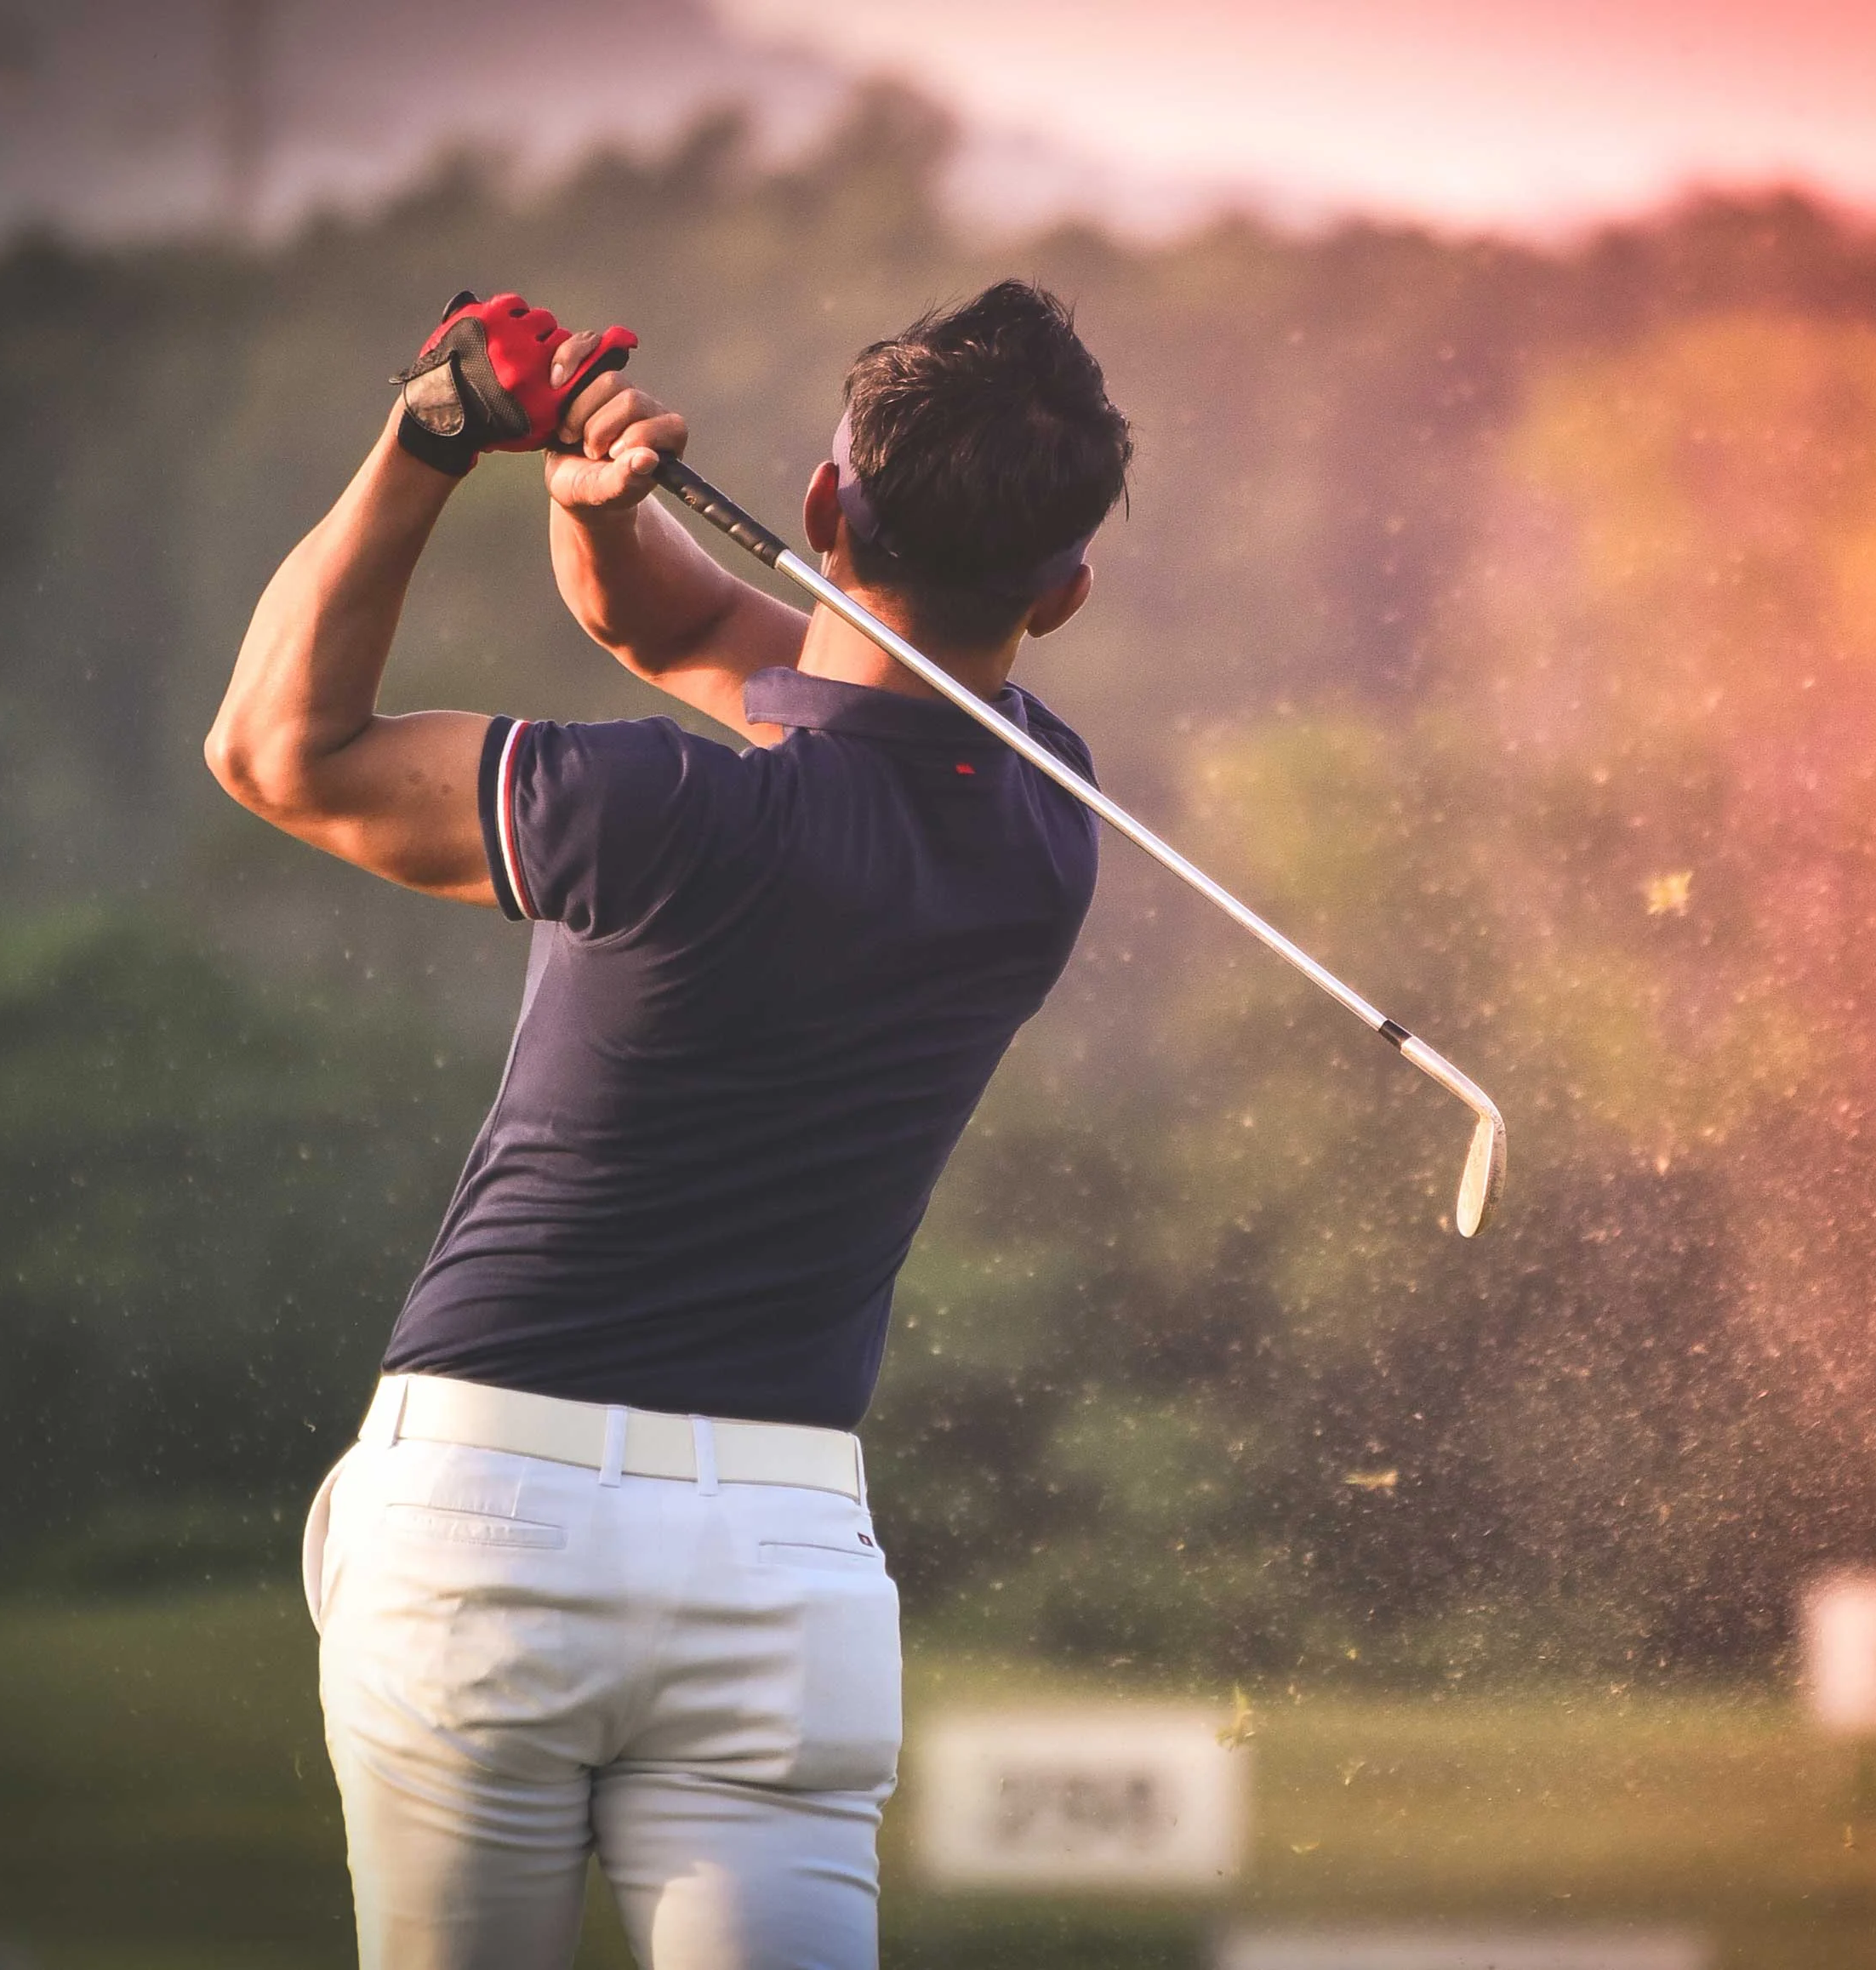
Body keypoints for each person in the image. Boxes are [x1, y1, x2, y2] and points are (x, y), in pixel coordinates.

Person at [205, 279, 1132, 1969]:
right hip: (784, 1564)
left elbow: (277, 749)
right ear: (1063, 589)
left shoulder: (648, 808)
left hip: (488, 1510)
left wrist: (431, 438)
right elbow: (691, 640)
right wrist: (592, 502)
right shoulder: (1044, 840)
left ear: (825, 505)